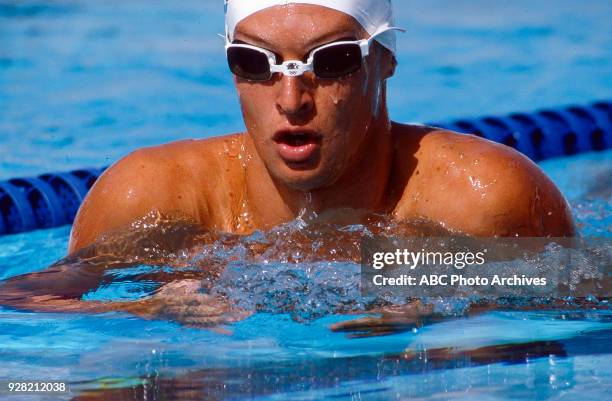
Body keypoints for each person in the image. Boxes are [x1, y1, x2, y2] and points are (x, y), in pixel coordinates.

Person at [0, 0, 575, 329]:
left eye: (333, 61)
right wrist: (140, 310)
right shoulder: (150, 195)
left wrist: (456, 305)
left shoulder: (482, 196)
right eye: (255, 62)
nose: (292, 100)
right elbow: (18, 299)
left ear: (386, 59)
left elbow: (582, 294)